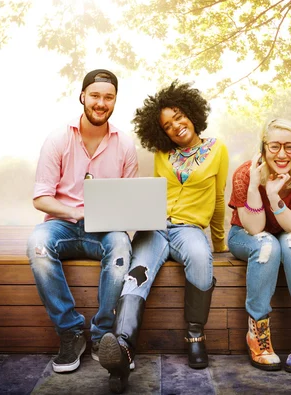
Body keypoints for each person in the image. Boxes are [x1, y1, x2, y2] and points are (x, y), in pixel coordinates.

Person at [98, 81, 228, 393]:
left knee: (200, 257)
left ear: (192, 114)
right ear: (162, 133)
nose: (176, 126)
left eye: (179, 117)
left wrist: (220, 241)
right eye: (167, 126)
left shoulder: (217, 150)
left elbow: (220, 198)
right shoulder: (162, 154)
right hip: (154, 227)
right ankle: (123, 346)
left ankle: (195, 335)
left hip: (189, 229)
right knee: (136, 273)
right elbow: (153, 194)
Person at [26, 69, 138, 373]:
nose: (101, 103)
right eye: (95, 96)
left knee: (120, 245)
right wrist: (75, 212)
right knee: (37, 243)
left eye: (108, 97)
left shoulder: (125, 145)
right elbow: (41, 199)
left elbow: (128, 200)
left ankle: (103, 335)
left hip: (103, 230)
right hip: (62, 224)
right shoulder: (58, 138)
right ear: (83, 97)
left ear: (115, 101)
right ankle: (71, 332)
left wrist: (130, 215)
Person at [227, 119, 291, 373]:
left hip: (290, 230)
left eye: (289, 147)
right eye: (275, 146)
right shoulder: (245, 173)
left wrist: (273, 196)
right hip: (245, 234)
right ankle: (257, 333)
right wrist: (257, 188)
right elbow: (255, 229)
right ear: (263, 147)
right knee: (267, 245)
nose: (282, 154)